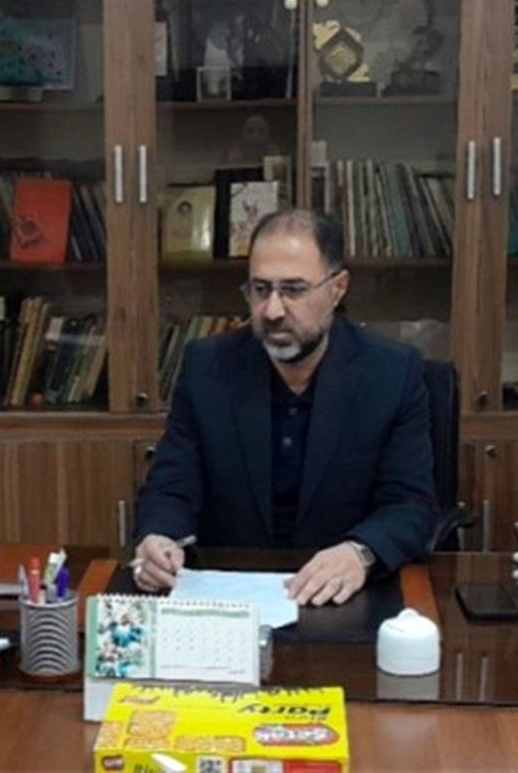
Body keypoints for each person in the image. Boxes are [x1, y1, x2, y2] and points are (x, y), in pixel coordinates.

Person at [133, 209, 436, 606]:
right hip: (229, 596)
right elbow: (172, 485)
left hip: (342, 598)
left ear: (337, 289)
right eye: (261, 289)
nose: (272, 310)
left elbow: (411, 505)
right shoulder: (208, 367)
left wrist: (359, 553)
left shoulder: (392, 373)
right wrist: (159, 537)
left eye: (293, 290)